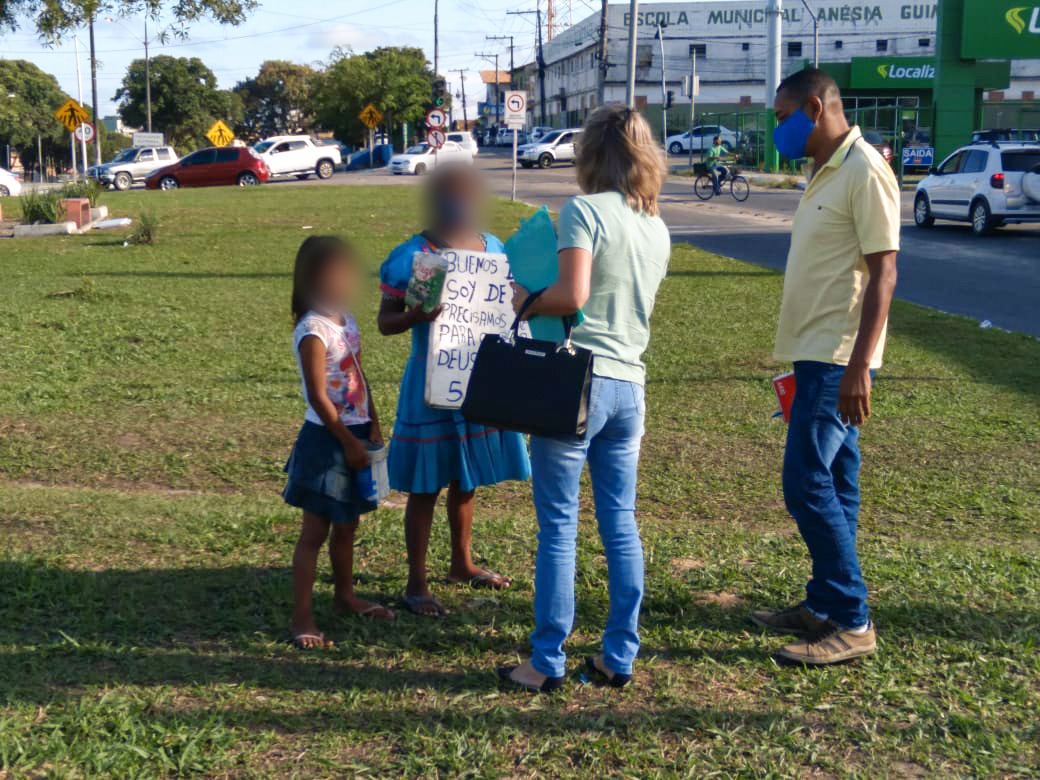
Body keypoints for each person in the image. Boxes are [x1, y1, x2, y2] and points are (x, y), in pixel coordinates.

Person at [500, 106, 671, 693]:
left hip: (577, 381)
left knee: (558, 524)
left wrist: (523, 296)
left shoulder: (584, 211)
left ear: (589, 152)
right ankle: (618, 655)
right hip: (631, 384)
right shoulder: (656, 224)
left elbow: (571, 294)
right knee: (621, 522)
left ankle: (546, 661)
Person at [751, 68, 900, 665]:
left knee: (806, 481)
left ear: (815, 108)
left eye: (783, 115)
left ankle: (853, 618)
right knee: (836, 483)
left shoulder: (865, 169)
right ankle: (826, 605)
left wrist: (860, 364)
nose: (778, 128)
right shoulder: (823, 169)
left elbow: (884, 270)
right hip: (813, 352)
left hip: (838, 357)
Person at [378, 163, 531, 618]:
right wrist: (414, 316)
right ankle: (416, 583)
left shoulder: (493, 249)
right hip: (431, 384)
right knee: (426, 486)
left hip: (478, 378)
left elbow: (507, 305)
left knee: (466, 482)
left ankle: (461, 564)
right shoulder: (417, 257)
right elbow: (386, 322)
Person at [284, 236, 395, 650]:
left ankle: (345, 596)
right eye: (334, 272)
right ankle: (302, 615)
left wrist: (374, 425)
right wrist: (347, 441)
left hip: (358, 433)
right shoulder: (312, 329)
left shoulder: (347, 319)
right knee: (315, 532)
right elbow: (317, 395)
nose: (344, 279)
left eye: (347, 271)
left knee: (348, 524)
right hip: (327, 441)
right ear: (312, 278)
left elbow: (360, 378)